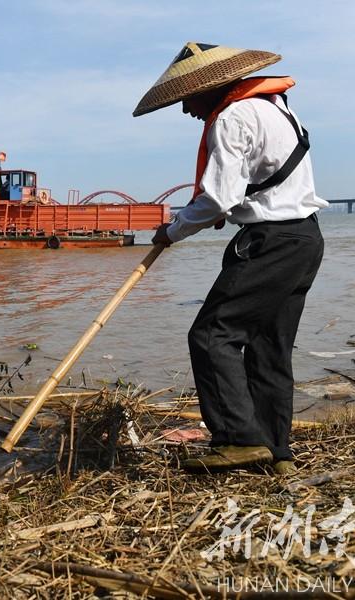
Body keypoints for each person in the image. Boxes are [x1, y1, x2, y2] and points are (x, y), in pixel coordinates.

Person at [134, 43, 326, 474]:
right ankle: (276, 453)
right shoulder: (279, 108)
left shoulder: (233, 116)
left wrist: (174, 229)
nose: (186, 111)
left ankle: (238, 439)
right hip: (304, 239)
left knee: (211, 335)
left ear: (211, 88)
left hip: (269, 243)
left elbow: (218, 197)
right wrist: (224, 209)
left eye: (187, 99)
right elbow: (247, 189)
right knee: (268, 347)